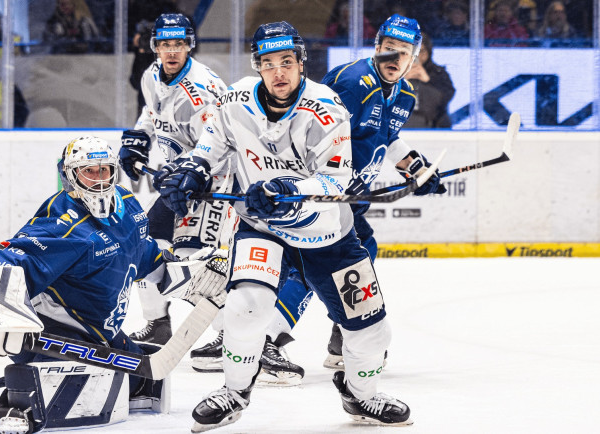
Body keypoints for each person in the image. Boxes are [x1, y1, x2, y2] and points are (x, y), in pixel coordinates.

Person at [157, 21, 424, 431]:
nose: (278, 72)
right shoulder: (234, 101)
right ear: (257, 66)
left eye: (286, 62)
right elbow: (211, 145)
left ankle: (361, 397)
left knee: (373, 332)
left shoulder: (328, 107)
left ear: (301, 63)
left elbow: (335, 181)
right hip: (262, 228)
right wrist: (193, 170)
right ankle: (234, 391)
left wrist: (288, 187)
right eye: (268, 64)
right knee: (246, 308)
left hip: (328, 234)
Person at [0, 137, 175, 432]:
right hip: (52, 334)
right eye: (89, 171)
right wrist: (1, 310)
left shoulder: (130, 207)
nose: (99, 180)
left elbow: (144, 253)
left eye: (104, 170)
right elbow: (7, 261)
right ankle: (19, 396)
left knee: (145, 378)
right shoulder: (65, 221)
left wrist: (182, 272)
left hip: (99, 332)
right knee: (63, 393)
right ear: (71, 175)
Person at [317, 14, 447, 368]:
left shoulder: (403, 92)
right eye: (388, 50)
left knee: (359, 252)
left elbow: (386, 137)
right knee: (308, 263)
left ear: (415, 56)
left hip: (349, 199)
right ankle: (267, 340)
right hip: (320, 191)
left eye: (403, 52)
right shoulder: (354, 81)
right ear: (377, 48)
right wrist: (341, 176)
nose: (394, 59)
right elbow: (321, 133)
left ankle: (342, 338)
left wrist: (417, 169)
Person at [119, 13, 233, 349]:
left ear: (189, 46)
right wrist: (138, 137)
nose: (172, 51)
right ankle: (157, 323)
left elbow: (221, 144)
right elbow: (151, 115)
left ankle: (232, 334)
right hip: (177, 186)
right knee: (144, 247)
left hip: (211, 187)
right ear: (155, 47)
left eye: (179, 44)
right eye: (165, 44)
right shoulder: (151, 75)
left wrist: (189, 170)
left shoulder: (203, 90)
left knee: (190, 262)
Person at [403, 32, 455, 128]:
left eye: (422, 51)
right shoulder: (392, 71)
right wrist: (401, 81)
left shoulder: (438, 72)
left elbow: (446, 97)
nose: (417, 56)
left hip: (432, 125)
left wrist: (428, 80)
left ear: (428, 51)